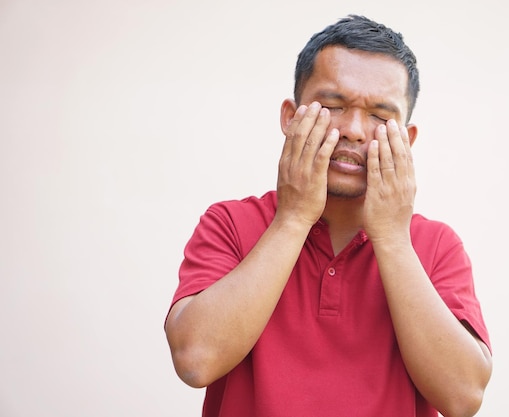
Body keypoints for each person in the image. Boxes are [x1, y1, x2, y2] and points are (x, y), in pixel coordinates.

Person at [165, 15, 492, 417]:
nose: (354, 129)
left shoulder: (436, 245)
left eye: (380, 116)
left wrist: (391, 237)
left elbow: (462, 398)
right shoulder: (231, 223)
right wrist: (294, 218)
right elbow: (196, 360)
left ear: (406, 140)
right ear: (290, 117)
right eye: (334, 106)